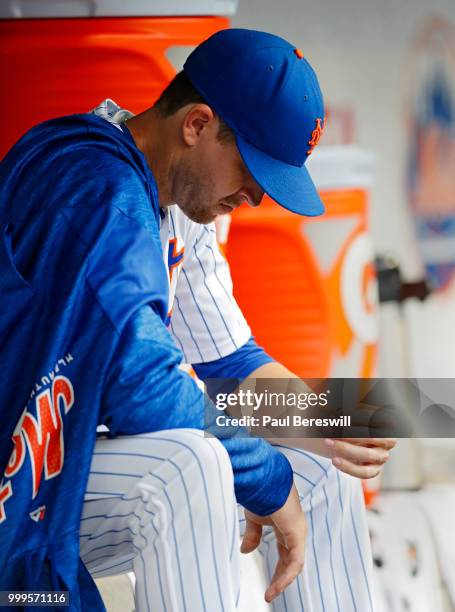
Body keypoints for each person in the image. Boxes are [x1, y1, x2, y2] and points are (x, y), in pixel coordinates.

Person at [0, 28, 395, 611]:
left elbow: (229, 363)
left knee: (317, 468)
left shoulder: (182, 207)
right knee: (192, 467)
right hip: (23, 475)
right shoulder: (96, 185)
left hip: (69, 457)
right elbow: (144, 389)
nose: (256, 197)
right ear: (197, 124)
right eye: (252, 170)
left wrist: (324, 421)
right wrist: (265, 479)